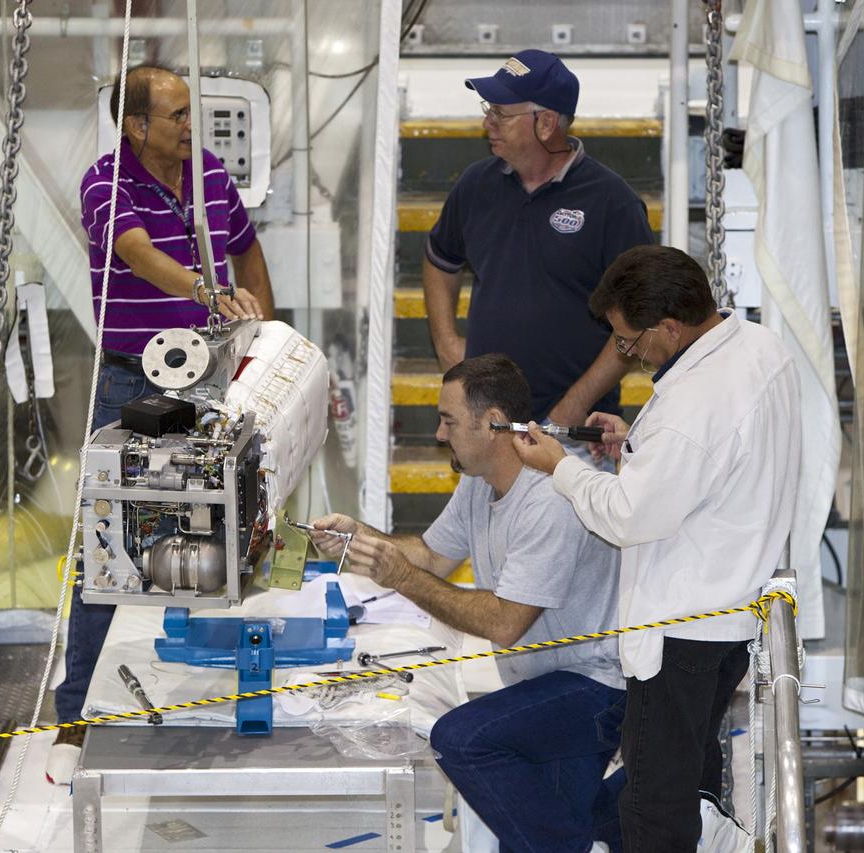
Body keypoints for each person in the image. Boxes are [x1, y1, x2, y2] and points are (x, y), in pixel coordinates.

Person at [512, 245, 802, 851]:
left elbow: (627, 517)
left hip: (681, 634)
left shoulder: (692, 408)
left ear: (669, 326)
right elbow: (703, 468)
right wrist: (638, 446)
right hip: (729, 612)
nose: (628, 352)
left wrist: (558, 467)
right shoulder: (759, 347)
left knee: (653, 804)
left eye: (630, 339)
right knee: (691, 776)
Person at [47, 64, 276, 782]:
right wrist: (211, 290)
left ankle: (201, 692)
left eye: (190, 113)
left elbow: (246, 242)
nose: (189, 127)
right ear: (136, 124)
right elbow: (137, 254)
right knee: (108, 543)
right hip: (133, 381)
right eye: (175, 115)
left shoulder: (208, 174)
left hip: (211, 376)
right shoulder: (105, 182)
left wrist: (263, 332)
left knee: (228, 522)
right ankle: (76, 715)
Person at [309, 354, 627, 852]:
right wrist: (359, 537)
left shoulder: (549, 500)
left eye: (449, 420)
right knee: (551, 822)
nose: (439, 434)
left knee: (463, 740)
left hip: (593, 686)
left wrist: (404, 578)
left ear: (494, 422)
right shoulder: (479, 481)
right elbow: (432, 556)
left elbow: (504, 624)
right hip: (543, 682)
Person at [423, 49, 653, 430]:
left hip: (573, 432)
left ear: (546, 123)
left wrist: (572, 407)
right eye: (488, 109)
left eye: (500, 112)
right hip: (483, 427)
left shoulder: (613, 203)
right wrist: (447, 345)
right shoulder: (475, 185)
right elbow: (439, 260)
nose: (487, 122)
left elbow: (637, 322)